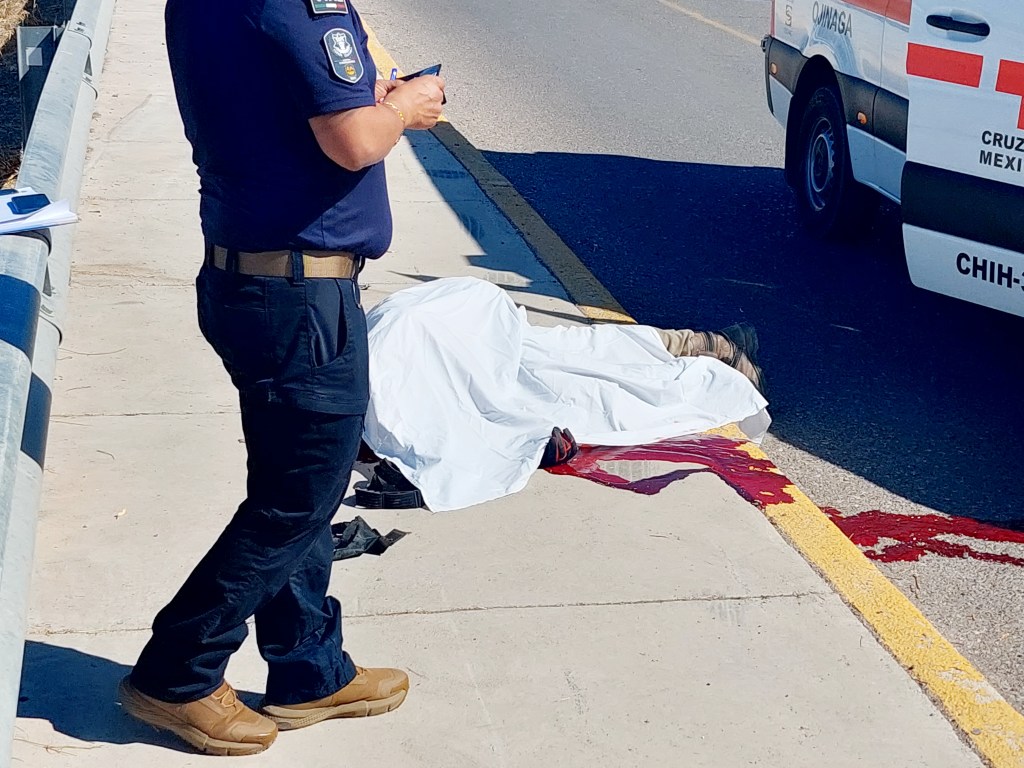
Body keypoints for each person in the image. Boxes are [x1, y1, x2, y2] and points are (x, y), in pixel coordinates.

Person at [117, 0, 445, 756]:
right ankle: (176, 673)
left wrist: (369, 92)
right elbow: (354, 141)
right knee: (297, 499)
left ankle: (309, 669)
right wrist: (404, 107)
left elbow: (272, 101)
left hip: (251, 279)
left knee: (297, 485)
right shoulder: (298, 7)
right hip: (300, 296)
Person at [358, 277, 770, 513]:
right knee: (573, 361)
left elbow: (435, 428)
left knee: (579, 376)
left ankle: (706, 352)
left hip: (444, 332)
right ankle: (704, 347)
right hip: (448, 326)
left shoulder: (370, 393)